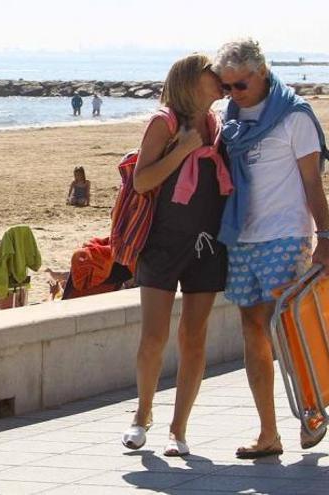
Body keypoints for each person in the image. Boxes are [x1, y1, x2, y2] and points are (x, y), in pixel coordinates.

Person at [213, 39, 329, 458]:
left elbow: (313, 183)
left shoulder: (294, 116)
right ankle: (268, 433)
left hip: (285, 233)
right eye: (226, 87)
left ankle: (312, 411)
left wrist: (326, 239)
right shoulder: (227, 117)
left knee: (290, 325)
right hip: (242, 235)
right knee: (252, 328)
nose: (233, 94)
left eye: (239, 85)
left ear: (261, 72)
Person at [122, 53, 230, 457]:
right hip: (162, 244)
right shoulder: (164, 122)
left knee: (194, 337)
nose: (219, 77)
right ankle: (141, 414)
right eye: (211, 72)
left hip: (207, 243)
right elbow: (143, 179)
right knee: (154, 336)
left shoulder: (218, 126)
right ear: (189, 79)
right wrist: (184, 149)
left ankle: (178, 429)